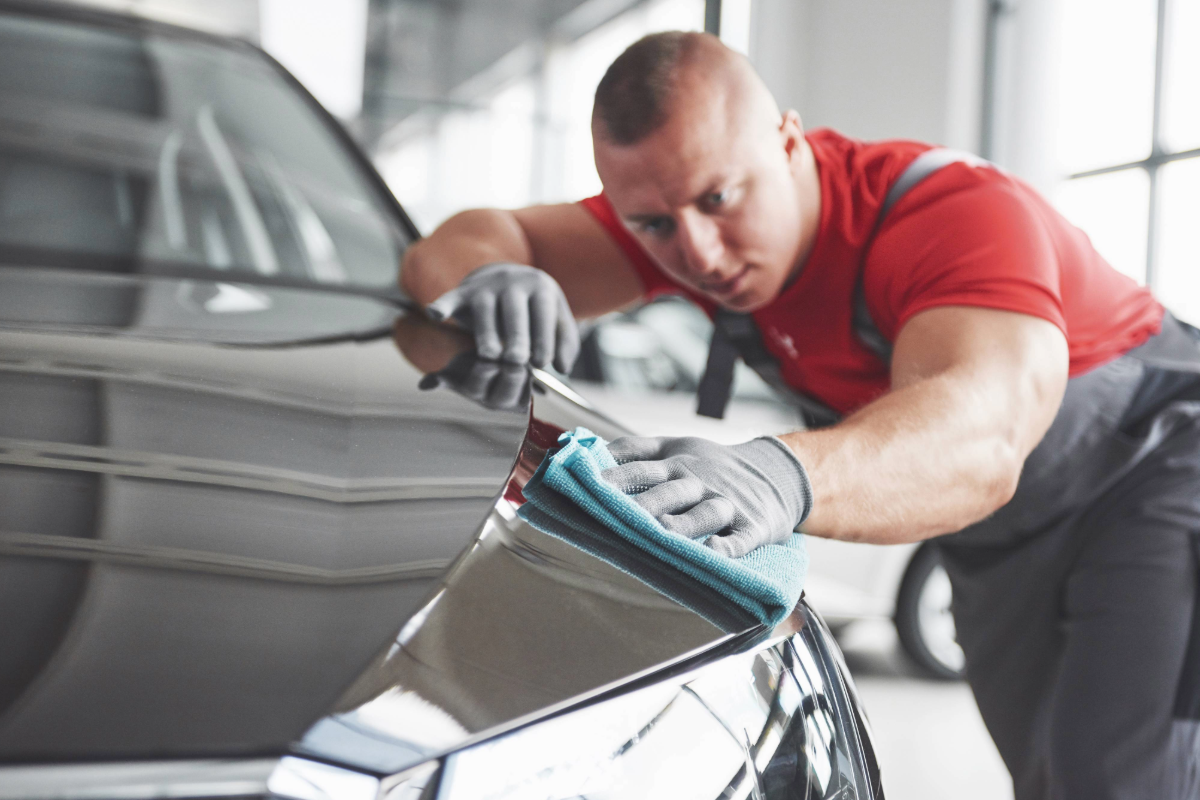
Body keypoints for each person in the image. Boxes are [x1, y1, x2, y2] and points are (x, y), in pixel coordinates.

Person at [400, 31, 1200, 799]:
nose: (699, 254)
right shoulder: (676, 210)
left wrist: (779, 472)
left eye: (720, 198)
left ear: (789, 140)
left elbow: (982, 438)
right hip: (1001, 534)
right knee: (1050, 777)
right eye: (653, 224)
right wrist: (492, 275)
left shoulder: (950, 214)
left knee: (1119, 779)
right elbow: (459, 242)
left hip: (1158, 473)